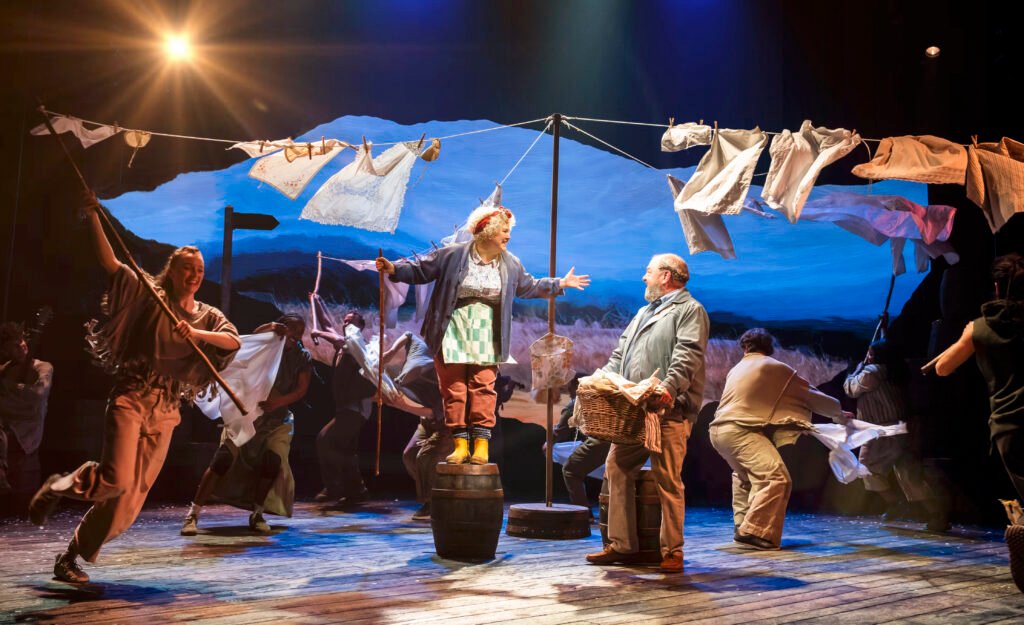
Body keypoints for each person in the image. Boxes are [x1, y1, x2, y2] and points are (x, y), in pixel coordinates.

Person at [29, 192, 240, 584]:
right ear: (172, 271)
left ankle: (69, 558)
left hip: (167, 408)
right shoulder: (151, 298)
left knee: (127, 503)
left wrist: (192, 331)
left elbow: (233, 342)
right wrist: (94, 216)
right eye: (186, 268)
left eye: (199, 269)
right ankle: (61, 483)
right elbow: (112, 264)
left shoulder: (209, 316)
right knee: (114, 480)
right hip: (132, 396)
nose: (193, 275)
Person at [377, 205, 590, 465]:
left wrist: (559, 284)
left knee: (483, 388)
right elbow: (421, 269)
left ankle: (480, 445)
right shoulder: (453, 255)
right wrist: (394, 270)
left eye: (508, 231)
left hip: (488, 334)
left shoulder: (510, 263)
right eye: (503, 230)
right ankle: (459, 443)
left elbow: (528, 286)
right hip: (452, 330)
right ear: (486, 230)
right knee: (454, 389)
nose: (508, 236)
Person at [585, 254, 708, 574]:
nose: (644, 277)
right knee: (617, 465)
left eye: (649, 272)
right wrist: (602, 381)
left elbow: (688, 354)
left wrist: (669, 388)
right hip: (635, 409)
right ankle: (623, 545)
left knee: (667, 478)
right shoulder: (643, 313)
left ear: (666, 277)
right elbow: (619, 353)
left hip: (669, 410)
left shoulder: (689, 310)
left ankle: (672, 551)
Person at [710, 329, 852, 550]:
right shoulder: (773, 367)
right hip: (740, 431)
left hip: (719, 432)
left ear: (745, 348)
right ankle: (754, 533)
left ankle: (742, 526)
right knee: (776, 478)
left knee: (745, 476)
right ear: (770, 348)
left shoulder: (737, 369)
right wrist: (839, 414)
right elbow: (810, 394)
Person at [181, 315, 312, 536]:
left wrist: (278, 402)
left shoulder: (301, 356)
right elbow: (249, 341)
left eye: (299, 332)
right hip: (248, 414)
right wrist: (271, 326)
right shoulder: (270, 342)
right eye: (291, 329)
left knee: (272, 461)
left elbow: (301, 390)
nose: (295, 335)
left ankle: (257, 513)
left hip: (277, 419)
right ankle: (193, 513)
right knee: (223, 459)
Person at [935, 253, 1024, 499]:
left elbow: (942, 367)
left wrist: (969, 334)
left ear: (996, 287)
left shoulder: (981, 327)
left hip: (1010, 424)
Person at [844, 339, 948, 531]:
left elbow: (851, 389)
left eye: (871, 353)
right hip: (901, 427)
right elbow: (886, 344)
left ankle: (896, 503)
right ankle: (936, 515)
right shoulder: (896, 369)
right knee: (908, 473)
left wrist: (856, 369)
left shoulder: (872, 373)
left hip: (883, 431)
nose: (868, 356)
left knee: (866, 468)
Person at [311, 311, 377, 507]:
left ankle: (333, 486)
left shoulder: (356, 345)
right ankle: (357, 490)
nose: (346, 324)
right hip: (347, 408)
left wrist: (318, 333)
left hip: (355, 409)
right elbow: (328, 326)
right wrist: (317, 301)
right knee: (346, 449)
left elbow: (336, 338)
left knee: (325, 440)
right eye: (345, 321)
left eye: (352, 322)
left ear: (361, 327)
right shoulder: (345, 345)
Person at [384, 331, 453, 521]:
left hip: (446, 425)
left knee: (426, 457)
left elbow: (433, 412)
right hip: (427, 423)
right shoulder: (422, 350)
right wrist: (391, 352)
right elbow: (409, 335)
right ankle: (434, 491)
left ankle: (431, 501)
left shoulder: (445, 379)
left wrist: (402, 406)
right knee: (409, 455)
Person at [0, 322, 54, 494]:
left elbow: (38, 394)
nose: (21, 346)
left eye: (22, 340)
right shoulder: (5, 369)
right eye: (14, 346)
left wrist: (10, 387)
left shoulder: (42, 367)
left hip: (26, 431)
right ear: (5, 351)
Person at [552, 374, 609, 513]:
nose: (569, 390)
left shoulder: (576, 402)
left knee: (570, 470)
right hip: (614, 442)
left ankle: (583, 511)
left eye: (571, 387)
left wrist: (549, 441)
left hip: (600, 442)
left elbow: (561, 431)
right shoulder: (600, 398)